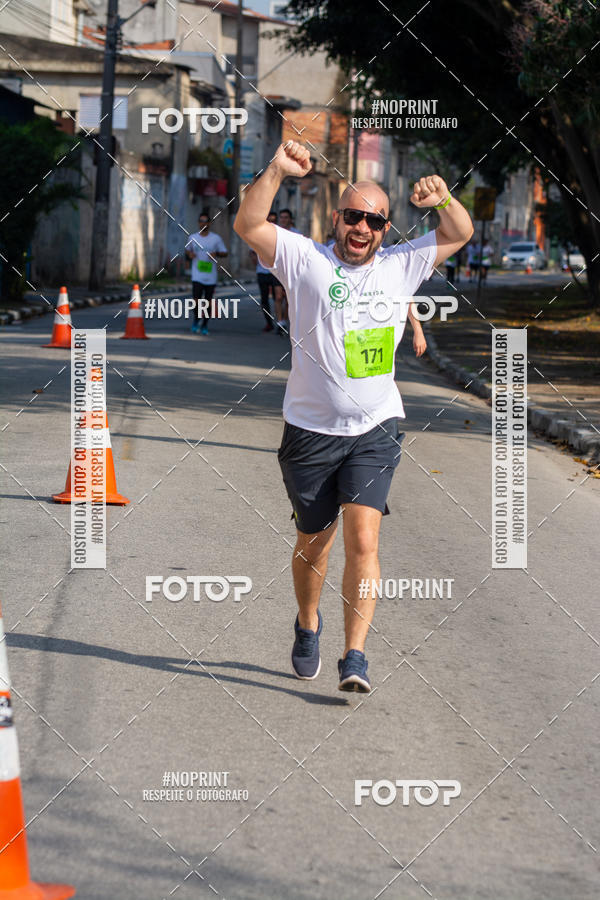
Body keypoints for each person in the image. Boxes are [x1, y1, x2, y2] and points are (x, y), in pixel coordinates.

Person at [234, 140, 473, 693]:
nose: (361, 227)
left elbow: (459, 231)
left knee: (364, 540)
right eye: (353, 216)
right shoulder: (303, 258)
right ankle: (307, 622)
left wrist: (442, 198)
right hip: (310, 433)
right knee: (313, 542)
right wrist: (276, 170)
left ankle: (355, 656)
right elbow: (250, 222)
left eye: (374, 220)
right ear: (336, 218)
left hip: (376, 429)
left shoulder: (401, 264)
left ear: (385, 228)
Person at [185, 213, 228, 335]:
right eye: (201, 221)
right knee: (196, 300)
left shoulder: (216, 238)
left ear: (209, 224)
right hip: (197, 274)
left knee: (208, 301)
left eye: (205, 221)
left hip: (210, 275)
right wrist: (190, 255)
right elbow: (187, 251)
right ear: (198, 223)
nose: (203, 224)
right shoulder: (192, 238)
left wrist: (216, 254)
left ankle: (204, 325)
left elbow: (225, 253)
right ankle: (196, 320)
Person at [251, 210, 279, 331]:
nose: (271, 222)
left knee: (278, 298)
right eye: (269, 220)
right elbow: (252, 254)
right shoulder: (258, 234)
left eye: (274, 220)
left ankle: (280, 322)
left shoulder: (280, 235)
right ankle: (269, 323)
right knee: (264, 299)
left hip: (276, 273)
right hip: (262, 272)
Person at [273, 208, 299, 335]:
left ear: (290, 219)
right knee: (278, 297)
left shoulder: (296, 234)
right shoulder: (275, 233)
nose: (283, 220)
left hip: (291, 271)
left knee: (288, 299)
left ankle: (284, 319)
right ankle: (280, 322)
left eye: (286, 217)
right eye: (281, 217)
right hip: (277, 270)